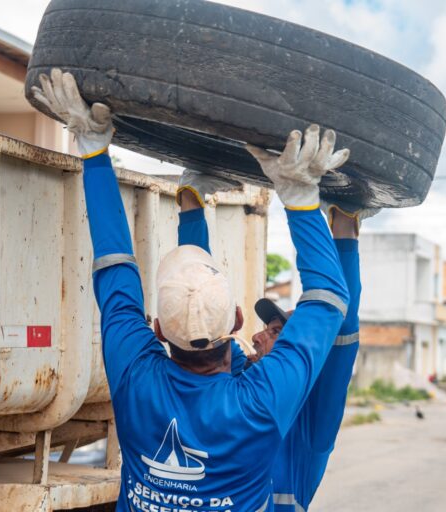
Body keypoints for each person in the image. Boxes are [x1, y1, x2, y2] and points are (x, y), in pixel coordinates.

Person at [33, 69, 351, 510]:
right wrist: (94, 148)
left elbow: (327, 298)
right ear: (238, 320)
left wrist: (299, 198)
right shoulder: (248, 399)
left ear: (160, 330)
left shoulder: (152, 380)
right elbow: (115, 272)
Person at [174, 177, 374, 511]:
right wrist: (192, 199)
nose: (256, 336)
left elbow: (343, 332)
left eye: (276, 332)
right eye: (267, 328)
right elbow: (203, 310)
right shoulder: (242, 388)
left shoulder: (310, 428)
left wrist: (345, 226)